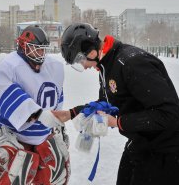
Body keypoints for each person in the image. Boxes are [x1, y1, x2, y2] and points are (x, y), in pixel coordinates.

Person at [53, 23, 179, 185]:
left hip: (166, 152)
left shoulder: (133, 64)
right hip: (140, 144)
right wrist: (71, 113)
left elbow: (169, 113)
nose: (83, 68)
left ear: (91, 52)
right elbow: (105, 103)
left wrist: (118, 122)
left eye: (80, 61)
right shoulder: (107, 65)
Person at [0, 25, 70, 184]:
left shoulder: (55, 67)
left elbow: (57, 98)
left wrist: (58, 126)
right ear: (22, 45)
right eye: (36, 49)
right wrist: (37, 113)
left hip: (42, 136)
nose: (40, 54)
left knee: (49, 177)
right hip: (14, 136)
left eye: (43, 49)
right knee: (15, 177)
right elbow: (6, 96)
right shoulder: (9, 65)